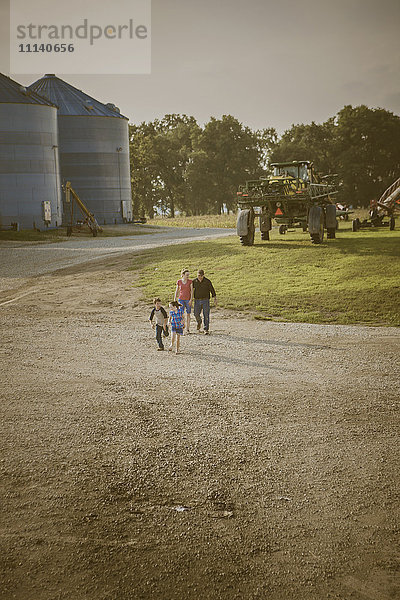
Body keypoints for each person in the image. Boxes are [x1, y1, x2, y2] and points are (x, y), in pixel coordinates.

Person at [193, 269, 217, 335]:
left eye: (201, 275)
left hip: (205, 300)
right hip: (197, 300)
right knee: (196, 313)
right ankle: (199, 321)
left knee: (206, 315)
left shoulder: (207, 281)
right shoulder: (194, 281)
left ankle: (206, 329)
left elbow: (212, 289)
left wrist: (215, 298)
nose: (199, 277)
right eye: (198, 275)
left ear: (203, 275)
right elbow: (191, 290)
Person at [174, 268, 193, 333]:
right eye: (187, 275)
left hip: (188, 299)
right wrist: (175, 299)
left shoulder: (190, 281)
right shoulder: (179, 281)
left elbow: (192, 291)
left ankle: (187, 328)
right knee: (181, 314)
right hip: (181, 299)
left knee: (188, 314)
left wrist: (191, 300)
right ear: (183, 275)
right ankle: (182, 326)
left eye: (188, 275)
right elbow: (177, 291)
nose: (188, 276)